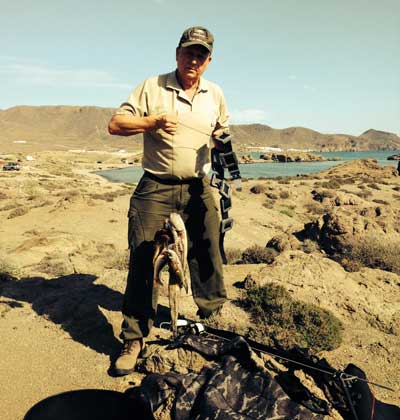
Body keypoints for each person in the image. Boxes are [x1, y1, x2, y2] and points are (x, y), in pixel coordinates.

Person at [108, 26, 229, 375]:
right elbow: (116, 124)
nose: (194, 59)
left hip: (197, 186)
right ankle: (134, 337)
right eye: (189, 52)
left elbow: (221, 132)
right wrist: (152, 121)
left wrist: (221, 141)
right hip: (156, 187)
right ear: (177, 53)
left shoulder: (215, 93)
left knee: (209, 247)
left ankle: (212, 316)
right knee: (144, 256)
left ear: (208, 61)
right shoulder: (152, 86)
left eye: (201, 54)